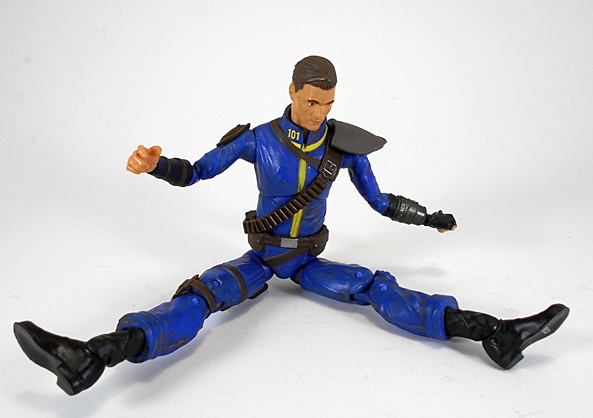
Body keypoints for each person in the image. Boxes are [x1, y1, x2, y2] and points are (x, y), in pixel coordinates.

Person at [14, 56, 569, 396]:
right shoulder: (257, 140)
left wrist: (428, 217)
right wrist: (157, 165)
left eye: (328, 102)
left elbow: (379, 202)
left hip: (308, 262)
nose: (319, 112)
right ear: (291, 93)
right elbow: (198, 172)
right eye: (311, 101)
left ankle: (493, 333)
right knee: (198, 297)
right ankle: (95, 355)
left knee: (379, 287)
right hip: (261, 259)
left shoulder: (344, 147)